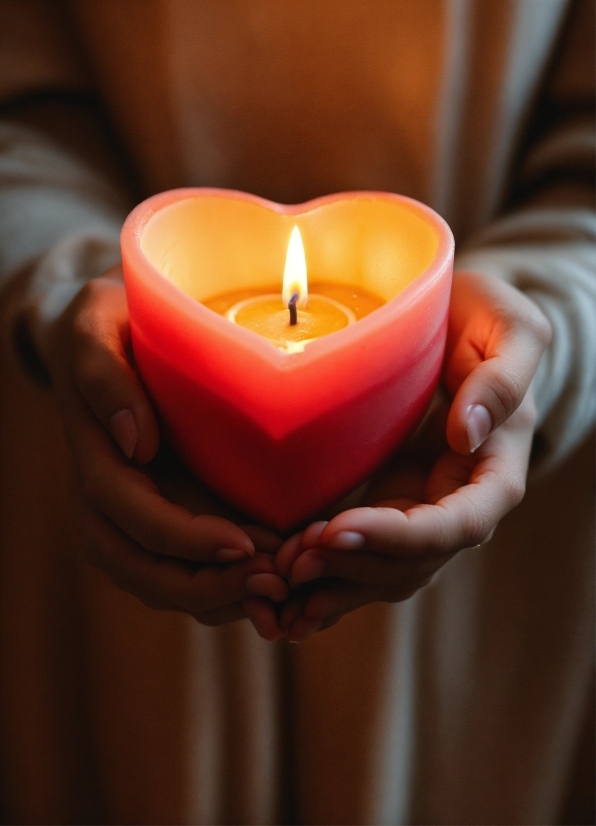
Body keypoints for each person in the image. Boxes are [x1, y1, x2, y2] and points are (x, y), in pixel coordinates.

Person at [0, 1, 593, 823]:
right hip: (106, 500)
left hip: (493, 590)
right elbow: (20, 111)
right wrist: (78, 301)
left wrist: (540, 328)